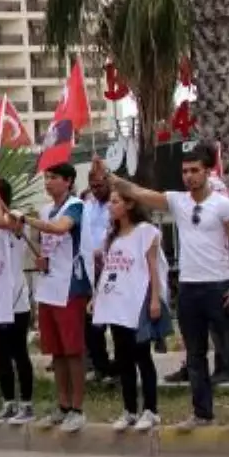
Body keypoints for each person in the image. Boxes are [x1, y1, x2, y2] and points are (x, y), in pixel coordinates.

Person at [96, 144, 229, 429]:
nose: (189, 176)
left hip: (219, 286)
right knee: (194, 355)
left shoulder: (222, 205)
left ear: (207, 172)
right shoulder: (177, 201)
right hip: (190, 289)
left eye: (195, 170)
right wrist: (108, 175)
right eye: (185, 171)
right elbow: (137, 192)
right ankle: (202, 414)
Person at [15, 162, 90, 432]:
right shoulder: (46, 209)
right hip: (48, 287)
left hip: (70, 286)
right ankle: (62, 405)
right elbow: (45, 244)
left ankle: (78, 408)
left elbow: (59, 229)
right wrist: (41, 259)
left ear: (68, 181)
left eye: (54, 177)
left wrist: (27, 219)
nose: (48, 182)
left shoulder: (75, 206)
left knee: (72, 350)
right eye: (46, 177)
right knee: (56, 353)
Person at [92, 190, 172, 432]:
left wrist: (155, 300)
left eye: (115, 202)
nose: (110, 207)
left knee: (142, 357)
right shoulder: (112, 237)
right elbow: (109, 271)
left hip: (137, 304)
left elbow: (153, 268)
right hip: (116, 305)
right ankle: (129, 410)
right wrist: (98, 296)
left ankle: (151, 409)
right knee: (123, 358)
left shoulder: (145, 232)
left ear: (129, 204)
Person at [0, 176, 35, 425]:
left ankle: (27, 405)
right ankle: (8, 402)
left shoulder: (16, 217)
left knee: (18, 352)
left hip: (15, 299)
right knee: (0, 354)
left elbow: (2, 221)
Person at [81, 168, 116, 382]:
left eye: (100, 185)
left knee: (115, 320)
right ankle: (101, 366)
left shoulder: (116, 203)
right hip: (91, 271)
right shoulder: (87, 206)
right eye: (92, 186)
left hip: (112, 268)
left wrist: (100, 251)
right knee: (91, 323)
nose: (96, 190)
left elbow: (114, 231)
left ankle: (120, 369)